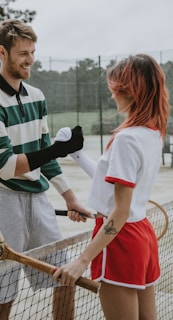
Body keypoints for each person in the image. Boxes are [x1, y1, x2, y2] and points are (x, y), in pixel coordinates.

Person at [0, 19, 90, 320]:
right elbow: (7, 166)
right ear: (2, 52)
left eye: (33, 52)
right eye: (23, 53)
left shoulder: (36, 96)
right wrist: (58, 149)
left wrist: (69, 196)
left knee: (64, 277)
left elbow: (43, 156)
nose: (30, 60)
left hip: (39, 203)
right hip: (3, 203)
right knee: (2, 295)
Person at [53, 54, 170, 320]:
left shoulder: (126, 139)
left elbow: (119, 212)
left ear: (129, 91)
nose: (112, 96)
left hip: (120, 240)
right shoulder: (152, 133)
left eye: (115, 89)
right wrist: (77, 154)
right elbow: (114, 184)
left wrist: (81, 260)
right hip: (142, 235)